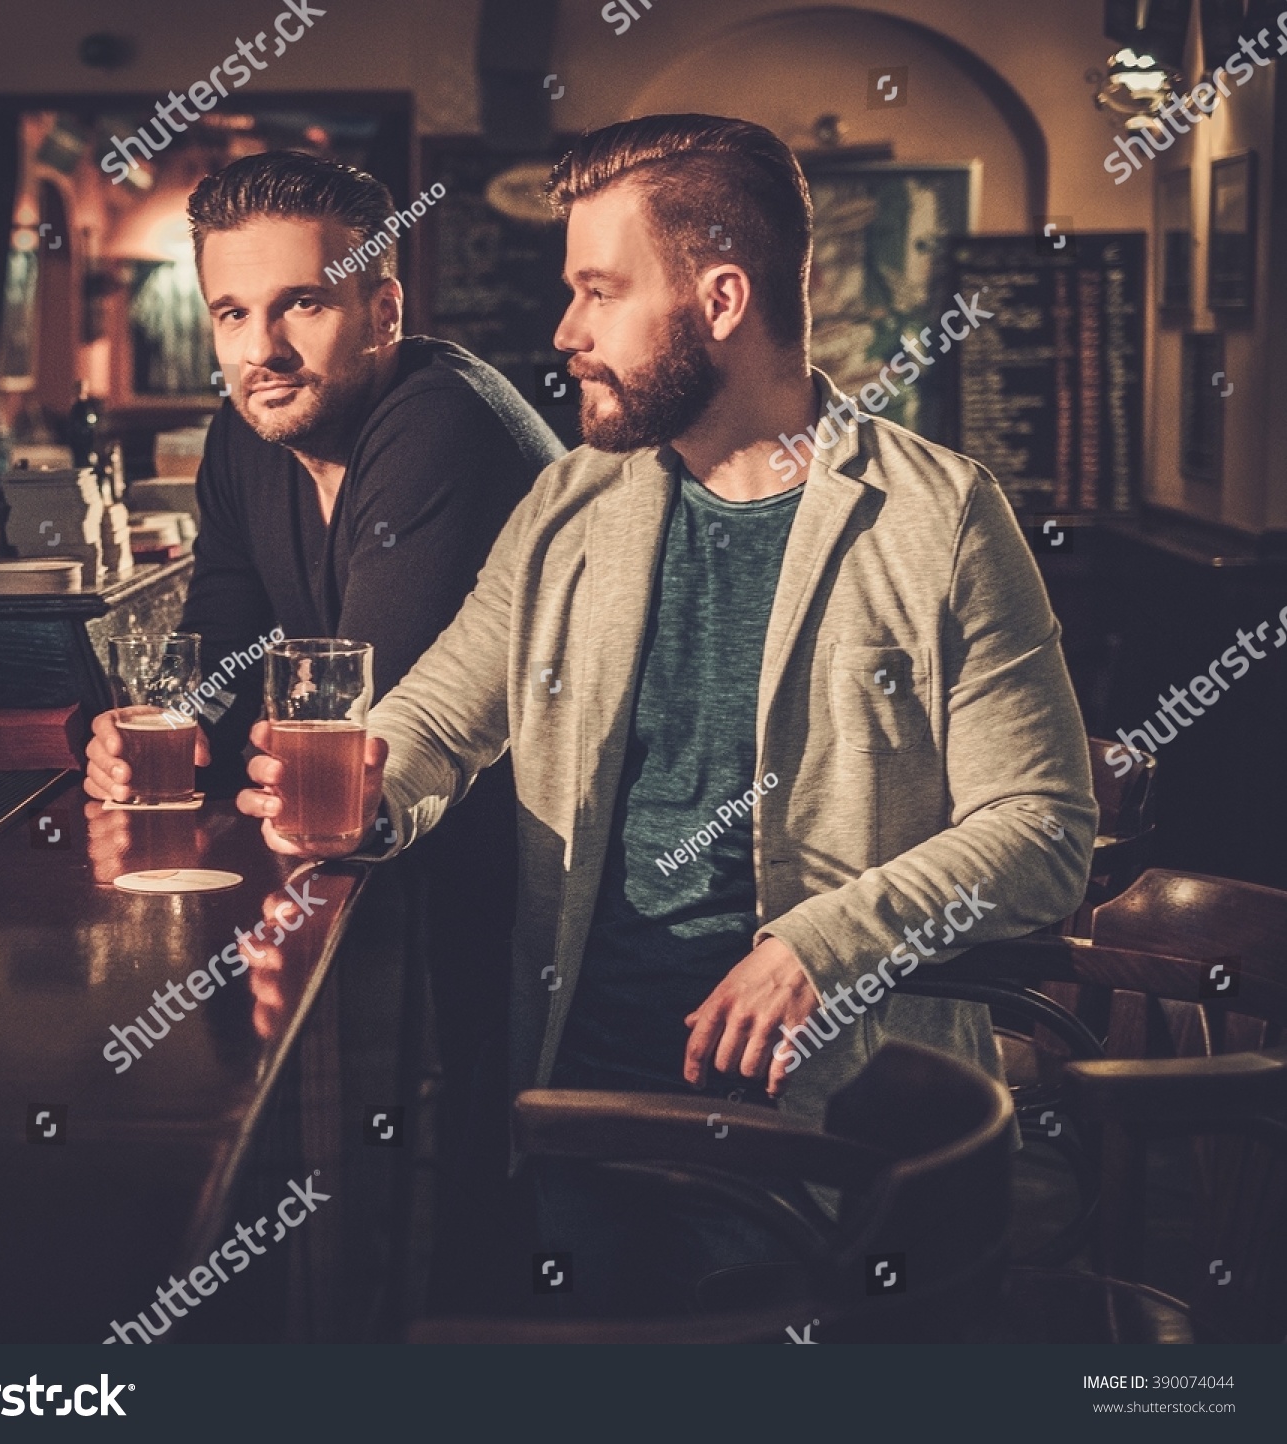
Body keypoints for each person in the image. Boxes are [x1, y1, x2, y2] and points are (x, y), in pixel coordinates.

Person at [236, 115, 1098, 1314]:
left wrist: (827, 944)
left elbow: (1045, 829)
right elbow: (440, 713)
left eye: (598, 290)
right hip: (577, 1101)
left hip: (828, 1123)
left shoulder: (939, 517)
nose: (565, 331)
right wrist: (368, 792)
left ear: (722, 298)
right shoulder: (572, 503)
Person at [82, 150, 564, 1310]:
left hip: (548, 850)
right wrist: (143, 734)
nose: (263, 350)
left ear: (382, 307)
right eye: (233, 313)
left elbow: (361, 724)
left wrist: (229, 732)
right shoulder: (247, 430)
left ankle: (471, 1340)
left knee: (487, 1159)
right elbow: (221, 644)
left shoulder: (440, 421)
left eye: (301, 302)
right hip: (408, 840)